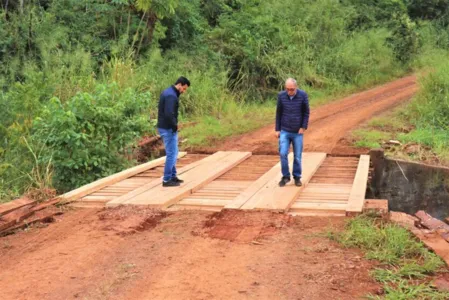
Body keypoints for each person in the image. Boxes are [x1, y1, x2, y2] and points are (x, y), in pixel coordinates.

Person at [275, 78, 310, 187]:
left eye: (292, 89)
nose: (289, 91)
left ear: (296, 87)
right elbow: (278, 113)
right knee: (282, 153)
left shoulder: (303, 95)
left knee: (297, 156)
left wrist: (303, 127)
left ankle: (297, 177)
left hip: (297, 132)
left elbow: (306, 112)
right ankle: (285, 177)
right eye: (287, 89)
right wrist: (277, 129)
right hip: (285, 130)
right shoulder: (281, 96)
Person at [157, 76, 190, 187]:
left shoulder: (168, 92)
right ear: (179, 84)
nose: (183, 91)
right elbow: (169, 114)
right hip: (168, 128)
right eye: (184, 89)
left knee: (174, 152)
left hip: (165, 127)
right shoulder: (171, 95)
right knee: (172, 153)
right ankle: (167, 180)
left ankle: (172, 176)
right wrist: (174, 126)